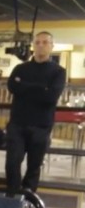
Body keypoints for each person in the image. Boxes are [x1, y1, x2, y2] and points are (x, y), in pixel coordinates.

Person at [5, 31, 66, 193]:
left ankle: (28, 198)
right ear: (33, 46)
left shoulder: (58, 72)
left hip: (41, 126)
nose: (40, 45)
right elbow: (12, 87)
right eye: (37, 42)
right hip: (17, 124)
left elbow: (51, 96)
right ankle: (12, 196)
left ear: (52, 46)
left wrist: (24, 86)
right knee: (12, 162)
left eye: (45, 42)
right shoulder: (20, 68)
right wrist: (41, 88)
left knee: (34, 166)